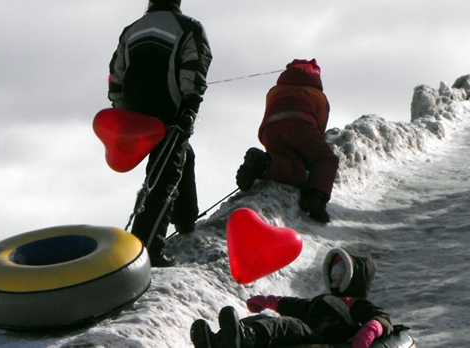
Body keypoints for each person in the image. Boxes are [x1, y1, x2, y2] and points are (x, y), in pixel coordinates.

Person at [108, 0, 212, 267]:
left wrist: (123, 116)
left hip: (135, 115)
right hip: (170, 113)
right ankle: (147, 249)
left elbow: (116, 76)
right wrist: (189, 109)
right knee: (165, 175)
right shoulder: (188, 28)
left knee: (182, 155)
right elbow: (194, 69)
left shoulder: (132, 29)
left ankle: (186, 218)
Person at [190, 248, 394, 348]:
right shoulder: (323, 301)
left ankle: (247, 338)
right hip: (310, 332)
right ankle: (222, 340)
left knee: (290, 325)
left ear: (353, 280)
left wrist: (366, 334)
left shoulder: (356, 304)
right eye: (333, 276)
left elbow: (380, 319)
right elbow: (297, 306)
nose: (334, 282)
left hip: (328, 341)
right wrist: (268, 301)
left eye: (340, 278)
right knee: (266, 321)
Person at [235, 59, 339, 223]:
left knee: (294, 171)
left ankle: (264, 163)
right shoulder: (317, 96)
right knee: (326, 159)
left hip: (270, 129)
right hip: (300, 125)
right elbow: (320, 128)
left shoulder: (276, 90)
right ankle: (315, 198)